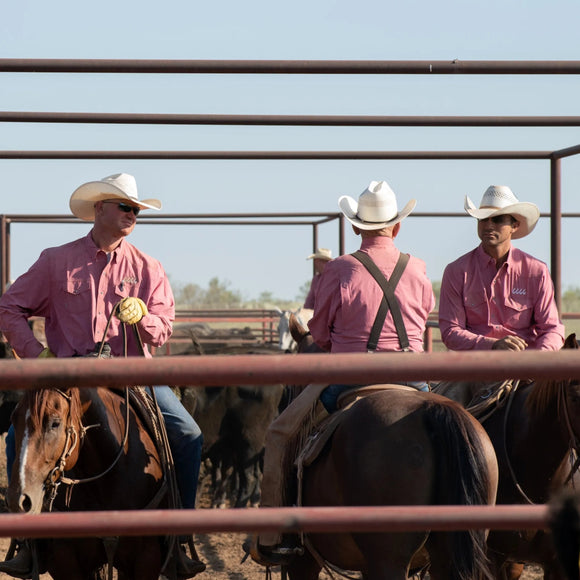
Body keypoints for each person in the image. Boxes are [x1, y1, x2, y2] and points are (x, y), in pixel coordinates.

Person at [0, 173, 205, 579]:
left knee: (187, 434)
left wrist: (145, 317)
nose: (133, 215)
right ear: (99, 209)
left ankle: (179, 534)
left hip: (133, 375)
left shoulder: (147, 267)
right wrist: (38, 356)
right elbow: (10, 306)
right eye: (125, 207)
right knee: (19, 431)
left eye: (136, 210)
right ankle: (25, 538)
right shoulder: (55, 261)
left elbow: (164, 326)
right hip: (67, 374)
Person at [251, 180, 435, 564]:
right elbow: (421, 320)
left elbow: (318, 333)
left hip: (352, 376)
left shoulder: (338, 269)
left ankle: (279, 534)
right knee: (460, 428)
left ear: (355, 227)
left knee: (282, 434)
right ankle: (477, 530)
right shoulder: (417, 268)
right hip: (413, 378)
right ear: (397, 227)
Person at [437, 185, 564, 406]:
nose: (488, 225)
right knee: (440, 418)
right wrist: (492, 345)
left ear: (514, 225)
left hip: (525, 374)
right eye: (483, 219)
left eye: (497, 220)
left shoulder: (536, 271)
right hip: (473, 371)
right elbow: (450, 331)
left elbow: (552, 328)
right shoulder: (457, 271)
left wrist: (536, 361)